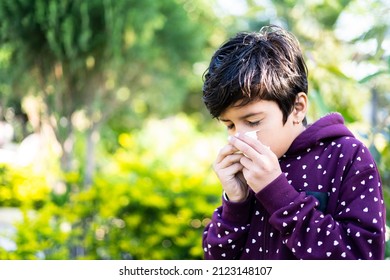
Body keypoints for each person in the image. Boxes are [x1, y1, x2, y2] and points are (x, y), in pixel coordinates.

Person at [201, 25, 386, 259]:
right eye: (230, 125)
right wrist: (235, 203)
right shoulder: (247, 170)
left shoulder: (346, 156)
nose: (239, 137)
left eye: (254, 121)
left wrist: (277, 192)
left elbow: (362, 260)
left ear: (298, 108)